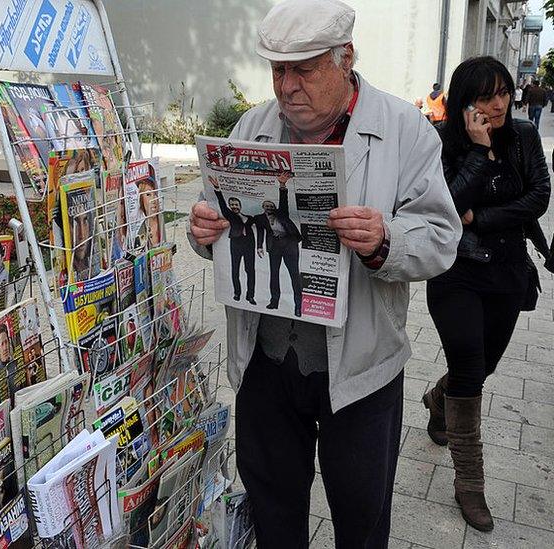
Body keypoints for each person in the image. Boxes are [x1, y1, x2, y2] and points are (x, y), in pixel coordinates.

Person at [187, 1, 461, 545]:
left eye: (304, 70)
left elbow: (441, 238)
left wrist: (387, 240)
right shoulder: (254, 126)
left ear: (345, 59)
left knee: (361, 517)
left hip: (360, 369)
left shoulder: (405, 128)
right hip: (267, 360)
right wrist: (203, 232)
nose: (287, 86)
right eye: (278, 70)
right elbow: (217, 216)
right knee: (273, 508)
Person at [425, 56, 551, 532]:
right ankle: (470, 484)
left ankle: (439, 400)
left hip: (507, 273)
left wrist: (483, 218)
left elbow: (539, 196)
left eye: (502, 93)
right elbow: (447, 206)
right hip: (455, 273)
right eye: (484, 97)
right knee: (472, 370)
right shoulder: (441, 141)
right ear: (463, 103)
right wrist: (478, 151)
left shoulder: (523, 136)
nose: (497, 105)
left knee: (480, 368)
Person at [252, 172, 303, 315]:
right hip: (274, 247)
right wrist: (259, 247)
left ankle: (298, 305)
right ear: (263, 208)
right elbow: (260, 232)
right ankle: (274, 302)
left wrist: (282, 185)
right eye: (266, 206)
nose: (269, 208)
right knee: (274, 274)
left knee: (294, 274)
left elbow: (284, 200)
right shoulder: (260, 218)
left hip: (289, 245)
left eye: (271, 206)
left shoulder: (282, 213)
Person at [211, 191, 258, 305]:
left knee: (250, 271)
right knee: (235, 269)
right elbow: (222, 205)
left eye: (236, 205)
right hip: (236, 244)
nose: (234, 207)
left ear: (240, 206)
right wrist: (218, 190)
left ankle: (250, 296)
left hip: (249, 245)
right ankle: (237, 293)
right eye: (232, 205)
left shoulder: (249, 218)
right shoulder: (230, 216)